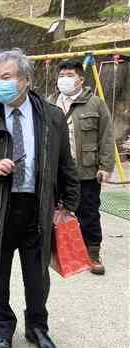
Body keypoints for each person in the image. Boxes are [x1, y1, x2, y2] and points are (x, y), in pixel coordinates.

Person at [0, 49, 79, 348]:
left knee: (37, 279)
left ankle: (37, 328)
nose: (0, 84)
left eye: (7, 77)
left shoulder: (52, 117)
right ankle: (2, 330)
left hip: (37, 209)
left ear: (26, 79)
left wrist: (70, 205)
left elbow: (66, 163)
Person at [49, 60, 115, 275]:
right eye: (61, 75)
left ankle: (92, 253)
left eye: (69, 75)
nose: (64, 80)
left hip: (86, 171)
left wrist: (106, 165)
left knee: (89, 213)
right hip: (56, 172)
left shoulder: (96, 104)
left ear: (80, 79)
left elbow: (106, 136)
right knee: (55, 211)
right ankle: (55, 252)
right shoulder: (50, 103)